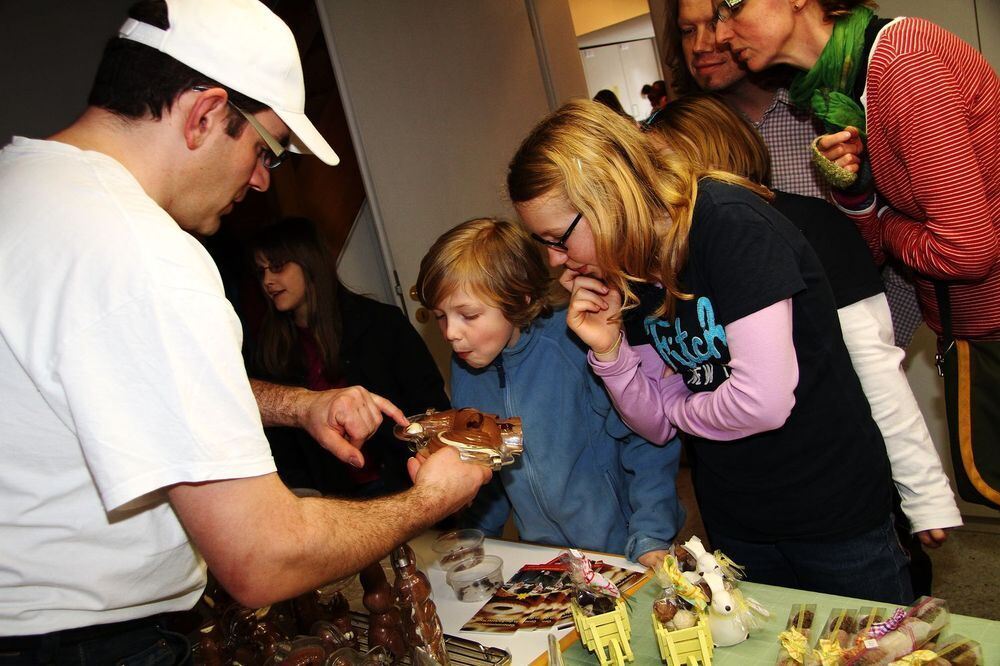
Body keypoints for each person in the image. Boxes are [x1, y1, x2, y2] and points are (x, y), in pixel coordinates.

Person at [0, 0, 489, 660]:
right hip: (80, 643)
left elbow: (123, 385)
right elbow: (263, 557)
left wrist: (300, 406)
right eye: (267, 150)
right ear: (205, 114)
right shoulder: (142, 253)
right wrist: (424, 501)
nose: (261, 181)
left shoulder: (24, 186)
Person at [508, 99, 912, 604]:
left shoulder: (728, 222)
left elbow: (761, 402)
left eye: (557, 239)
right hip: (738, 516)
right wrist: (610, 352)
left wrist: (678, 408)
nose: (554, 260)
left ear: (608, 198)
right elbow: (653, 426)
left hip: (830, 508)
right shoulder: (630, 269)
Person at [648, 93, 961, 549]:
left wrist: (924, 495)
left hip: (834, 500)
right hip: (737, 508)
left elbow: (874, 368)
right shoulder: (666, 255)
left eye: (659, 171)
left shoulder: (811, 226)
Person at [711, 0, 1000, 346]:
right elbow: (871, 253)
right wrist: (856, 194)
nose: (720, 35)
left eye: (733, 6)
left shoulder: (903, 61)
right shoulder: (835, 93)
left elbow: (964, 252)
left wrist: (884, 221)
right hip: (965, 331)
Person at [415, 218, 684, 568]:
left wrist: (651, 534)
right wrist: (475, 535)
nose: (451, 333)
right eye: (440, 316)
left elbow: (646, 444)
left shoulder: (575, 345)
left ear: (520, 297)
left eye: (469, 315)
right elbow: (489, 470)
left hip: (625, 548)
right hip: (548, 557)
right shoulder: (466, 367)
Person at [664, 0, 925, 349]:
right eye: (687, 31)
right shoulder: (682, 143)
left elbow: (898, 226)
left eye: (718, 21)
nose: (701, 45)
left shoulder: (834, 109)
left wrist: (874, 345)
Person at [250, 217, 450, 497]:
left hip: (404, 479)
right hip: (333, 497)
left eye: (278, 267)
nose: (268, 281)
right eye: (261, 272)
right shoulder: (269, 349)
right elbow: (281, 444)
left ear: (310, 263)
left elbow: (430, 403)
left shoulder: (381, 323)